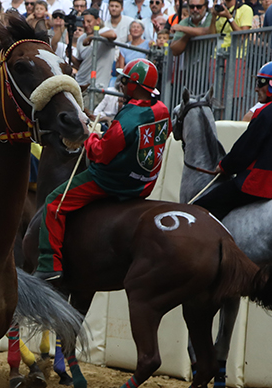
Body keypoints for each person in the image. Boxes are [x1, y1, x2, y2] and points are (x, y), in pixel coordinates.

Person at [34, 58, 171, 283]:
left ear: (134, 85)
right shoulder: (162, 109)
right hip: (146, 182)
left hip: (113, 181)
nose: (121, 83)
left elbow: (101, 154)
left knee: (53, 203)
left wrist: (91, 137)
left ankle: (50, 265)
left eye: (125, 80)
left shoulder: (128, 116)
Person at [193, 60, 272, 220]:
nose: (256, 88)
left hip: (254, 186)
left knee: (199, 210)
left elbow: (245, 150)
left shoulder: (267, 111)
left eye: (260, 82)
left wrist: (225, 166)